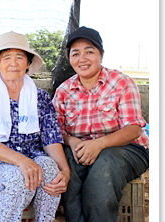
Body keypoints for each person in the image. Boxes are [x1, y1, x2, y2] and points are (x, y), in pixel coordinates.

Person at [0, 31, 70, 222]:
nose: (13, 63)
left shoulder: (41, 97)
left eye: (20, 57)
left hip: (32, 157)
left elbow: (51, 139)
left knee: (51, 171)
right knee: (16, 178)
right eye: (6, 57)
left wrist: (65, 171)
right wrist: (21, 161)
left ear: (28, 63)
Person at [52, 26, 149, 222]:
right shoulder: (64, 90)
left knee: (104, 166)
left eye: (89, 51)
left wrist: (99, 144)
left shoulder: (121, 82)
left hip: (126, 149)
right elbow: (55, 130)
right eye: (76, 53)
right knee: (68, 165)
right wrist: (71, 141)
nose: (82, 58)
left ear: (101, 55)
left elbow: (133, 128)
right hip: (79, 148)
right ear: (70, 58)